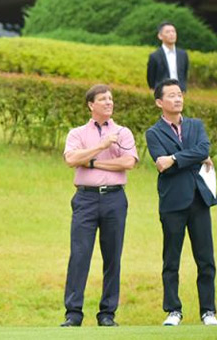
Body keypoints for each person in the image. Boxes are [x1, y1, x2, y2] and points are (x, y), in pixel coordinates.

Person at [61, 84, 138, 327]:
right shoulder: (77, 133)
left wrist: (92, 163)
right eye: (103, 99)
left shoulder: (123, 132)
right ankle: (73, 314)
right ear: (91, 105)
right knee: (80, 255)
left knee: (113, 255)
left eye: (111, 99)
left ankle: (107, 314)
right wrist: (102, 147)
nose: (108, 102)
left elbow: (128, 162)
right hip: (86, 199)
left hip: (115, 199)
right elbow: (72, 159)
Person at [145, 78, 217, 326]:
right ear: (159, 102)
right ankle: (173, 310)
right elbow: (161, 164)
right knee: (171, 260)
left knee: (206, 259)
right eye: (172, 95)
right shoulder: (153, 133)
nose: (178, 98)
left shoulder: (196, 125)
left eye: (180, 94)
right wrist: (193, 157)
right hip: (173, 203)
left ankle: (208, 311)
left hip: (198, 200)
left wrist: (174, 158)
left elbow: (203, 149)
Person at [147, 22, 189, 92]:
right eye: (167, 32)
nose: (171, 34)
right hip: (162, 92)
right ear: (160, 36)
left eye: (173, 31)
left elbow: (184, 74)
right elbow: (151, 78)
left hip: (180, 92)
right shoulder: (155, 56)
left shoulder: (183, 54)